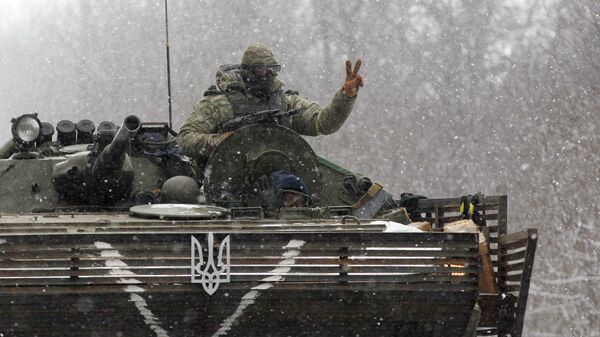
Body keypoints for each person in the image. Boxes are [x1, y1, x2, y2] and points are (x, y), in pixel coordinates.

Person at [177, 43, 364, 166]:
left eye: (272, 69)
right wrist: (219, 141)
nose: (268, 75)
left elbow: (323, 123)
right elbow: (185, 138)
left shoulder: (286, 103)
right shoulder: (220, 104)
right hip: (228, 182)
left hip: (280, 181)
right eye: (260, 69)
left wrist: (345, 96)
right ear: (246, 71)